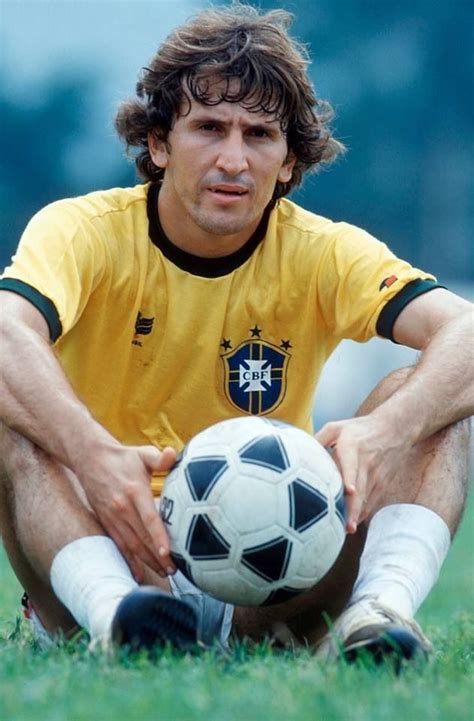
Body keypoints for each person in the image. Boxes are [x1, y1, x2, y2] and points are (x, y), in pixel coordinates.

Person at [0, 3, 472, 663]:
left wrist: (387, 430)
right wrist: (92, 455)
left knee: (426, 396)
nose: (233, 159)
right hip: (112, 546)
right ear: (158, 143)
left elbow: (465, 332)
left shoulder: (322, 252)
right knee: (16, 410)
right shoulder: (83, 231)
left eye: (259, 135)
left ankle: (378, 616)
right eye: (209, 127)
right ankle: (122, 621)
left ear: (288, 162)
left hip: (276, 581)